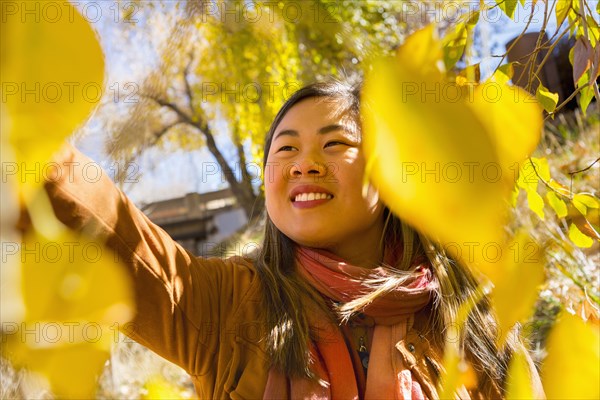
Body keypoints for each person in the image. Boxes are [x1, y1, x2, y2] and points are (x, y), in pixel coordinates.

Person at [44, 80, 544, 399]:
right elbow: (102, 224)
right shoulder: (226, 305)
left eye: (336, 144)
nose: (305, 163)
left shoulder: (471, 318)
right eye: (285, 149)